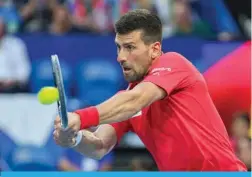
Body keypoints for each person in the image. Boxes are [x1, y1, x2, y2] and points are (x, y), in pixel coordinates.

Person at [53, 9, 247, 171]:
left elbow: (137, 100)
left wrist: (80, 117)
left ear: (154, 49)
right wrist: (74, 137)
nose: (120, 57)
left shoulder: (174, 63)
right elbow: (99, 146)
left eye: (129, 47)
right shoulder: (126, 100)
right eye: (118, 47)